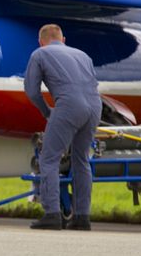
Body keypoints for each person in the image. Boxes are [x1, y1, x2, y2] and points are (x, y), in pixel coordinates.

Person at [24, 24, 101, 231]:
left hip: (68, 105)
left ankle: (52, 214)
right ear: (63, 39)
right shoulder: (83, 55)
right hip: (95, 106)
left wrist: (47, 111)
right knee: (82, 159)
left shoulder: (40, 53)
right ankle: (82, 217)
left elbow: (32, 91)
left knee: (49, 159)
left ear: (41, 41)